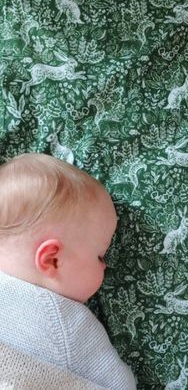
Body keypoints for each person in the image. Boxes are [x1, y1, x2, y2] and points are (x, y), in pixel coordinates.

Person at [0, 153, 136, 390]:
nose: (106, 265)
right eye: (100, 256)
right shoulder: (64, 322)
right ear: (52, 260)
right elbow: (120, 384)